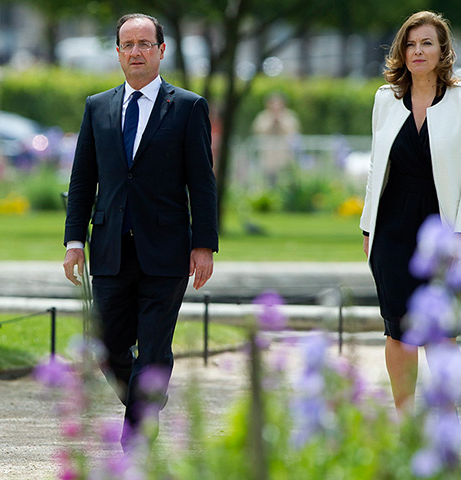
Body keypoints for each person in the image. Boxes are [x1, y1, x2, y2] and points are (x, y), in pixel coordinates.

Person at [62, 13, 218, 449]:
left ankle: (135, 443)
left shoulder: (187, 107)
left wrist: (204, 244)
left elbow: (202, 183)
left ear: (161, 50)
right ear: (117, 52)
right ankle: (148, 401)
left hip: (166, 250)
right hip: (110, 248)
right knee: (107, 347)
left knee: (153, 348)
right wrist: (75, 241)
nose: (136, 52)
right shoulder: (97, 107)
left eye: (145, 44)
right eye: (127, 44)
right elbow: (82, 180)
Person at [359, 11, 461, 414]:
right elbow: (376, 165)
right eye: (410, 43)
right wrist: (367, 225)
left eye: (426, 43)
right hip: (391, 225)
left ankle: (445, 420)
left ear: (443, 51)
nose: (417, 51)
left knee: (443, 330)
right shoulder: (385, 98)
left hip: (444, 228)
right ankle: (405, 421)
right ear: (401, 51)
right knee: (398, 330)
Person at [251, 92, 300, 184]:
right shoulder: (263, 116)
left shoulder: (289, 116)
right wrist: (271, 122)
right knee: (269, 179)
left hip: (285, 153)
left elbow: (293, 131)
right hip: (268, 155)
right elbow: (258, 130)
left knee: (286, 178)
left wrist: (280, 122)